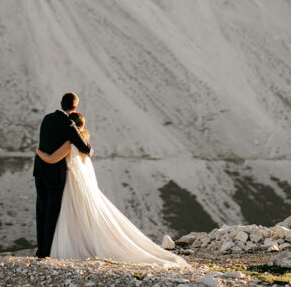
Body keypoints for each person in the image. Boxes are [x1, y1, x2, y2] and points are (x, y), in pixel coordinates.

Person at [36, 111, 189, 267]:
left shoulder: (68, 143)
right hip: (75, 184)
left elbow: (52, 159)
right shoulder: (81, 144)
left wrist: (38, 151)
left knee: (66, 216)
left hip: (68, 183)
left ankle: (60, 249)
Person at [33, 92, 93, 259]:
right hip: (55, 175)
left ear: (60, 103)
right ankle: (47, 252)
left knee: (41, 211)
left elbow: (45, 143)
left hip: (39, 171)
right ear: (75, 107)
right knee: (52, 213)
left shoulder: (46, 118)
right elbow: (86, 149)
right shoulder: (69, 124)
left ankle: (40, 250)